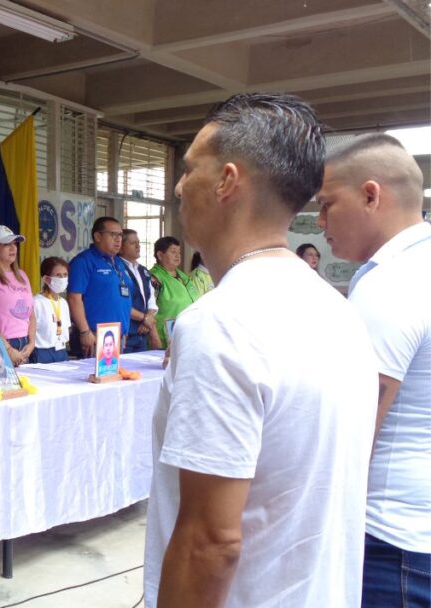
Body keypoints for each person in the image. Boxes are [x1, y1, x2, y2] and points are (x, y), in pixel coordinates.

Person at [145, 93, 378, 608]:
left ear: (227, 180)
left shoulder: (221, 323)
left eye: (189, 169)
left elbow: (211, 543)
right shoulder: (338, 311)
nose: (180, 186)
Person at [317, 133, 431, 607]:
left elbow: (354, 429)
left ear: (370, 195)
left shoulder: (391, 284)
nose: (320, 221)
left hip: (390, 538)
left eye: (327, 204)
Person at [68, 216, 133, 357]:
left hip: (117, 335)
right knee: (91, 378)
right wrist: (85, 331)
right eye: (113, 234)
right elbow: (74, 298)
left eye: (120, 235)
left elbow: (122, 298)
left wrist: (124, 331)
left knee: (113, 378)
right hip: (94, 335)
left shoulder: (119, 262)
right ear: (98, 236)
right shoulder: (84, 261)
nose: (118, 239)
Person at [0, 225, 35, 365]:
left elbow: (31, 313)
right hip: (0, 343)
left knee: (24, 386)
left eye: (14, 244)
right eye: (6, 244)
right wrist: (7, 348)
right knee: (3, 387)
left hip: (24, 343)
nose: (13, 248)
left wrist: (32, 343)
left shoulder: (22, 275)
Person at [149, 237, 198, 348]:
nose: (178, 255)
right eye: (173, 252)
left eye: (179, 252)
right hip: (163, 337)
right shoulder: (154, 278)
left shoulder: (183, 276)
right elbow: (148, 310)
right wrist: (154, 336)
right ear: (160, 255)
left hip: (185, 333)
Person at [119, 229, 161, 353]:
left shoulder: (143, 270)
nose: (138, 246)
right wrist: (144, 318)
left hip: (142, 332)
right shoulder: (117, 268)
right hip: (126, 333)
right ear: (121, 247)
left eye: (138, 243)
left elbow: (151, 300)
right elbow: (121, 303)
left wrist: (148, 318)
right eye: (132, 243)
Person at [31, 257, 71, 364]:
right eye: (58, 275)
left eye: (65, 275)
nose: (63, 278)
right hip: (42, 352)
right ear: (47, 279)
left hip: (61, 351)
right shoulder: (36, 302)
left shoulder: (63, 302)